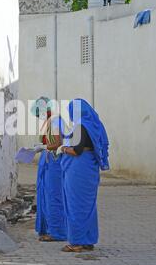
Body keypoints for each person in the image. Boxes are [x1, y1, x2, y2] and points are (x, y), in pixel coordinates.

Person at [58, 99, 110, 253]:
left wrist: (63, 148)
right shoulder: (94, 124)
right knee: (88, 206)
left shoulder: (81, 126)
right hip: (89, 167)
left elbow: (76, 150)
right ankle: (88, 240)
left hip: (78, 169)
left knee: (76, 204)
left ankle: (76, 242)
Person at [31, 97, 67, 243]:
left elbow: (58, 143)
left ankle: (57, 232)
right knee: (46, 196)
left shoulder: (56, 122)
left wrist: (43, 147)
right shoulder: (50, 122)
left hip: (55, 163)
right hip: (48, 162)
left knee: (54, 197)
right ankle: (48, 229)